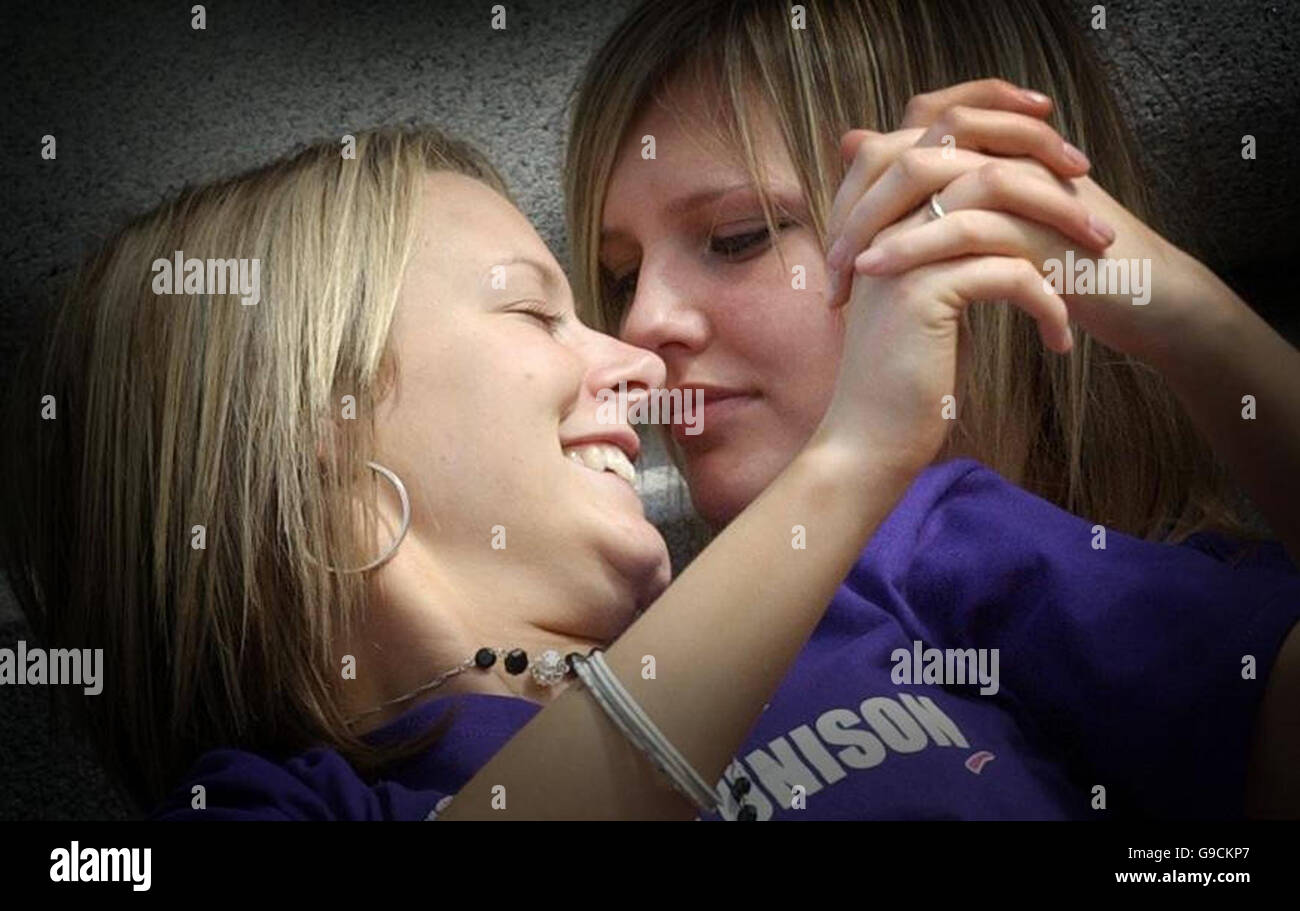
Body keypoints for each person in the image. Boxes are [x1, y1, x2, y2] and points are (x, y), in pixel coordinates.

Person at [3, 123, 1077, 821]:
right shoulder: (259, 810)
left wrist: (1170, 313)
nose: (636, 355)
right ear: (302, 431)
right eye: (530, 308)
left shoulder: (882, 584)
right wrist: (850, 455)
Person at [562, 0, 1300, 817]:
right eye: (623, 275)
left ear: (1000, 228)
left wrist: (1189, 315)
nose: (639, 326)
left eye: (739, 235)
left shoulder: (1222, 613)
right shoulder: (633, 670)